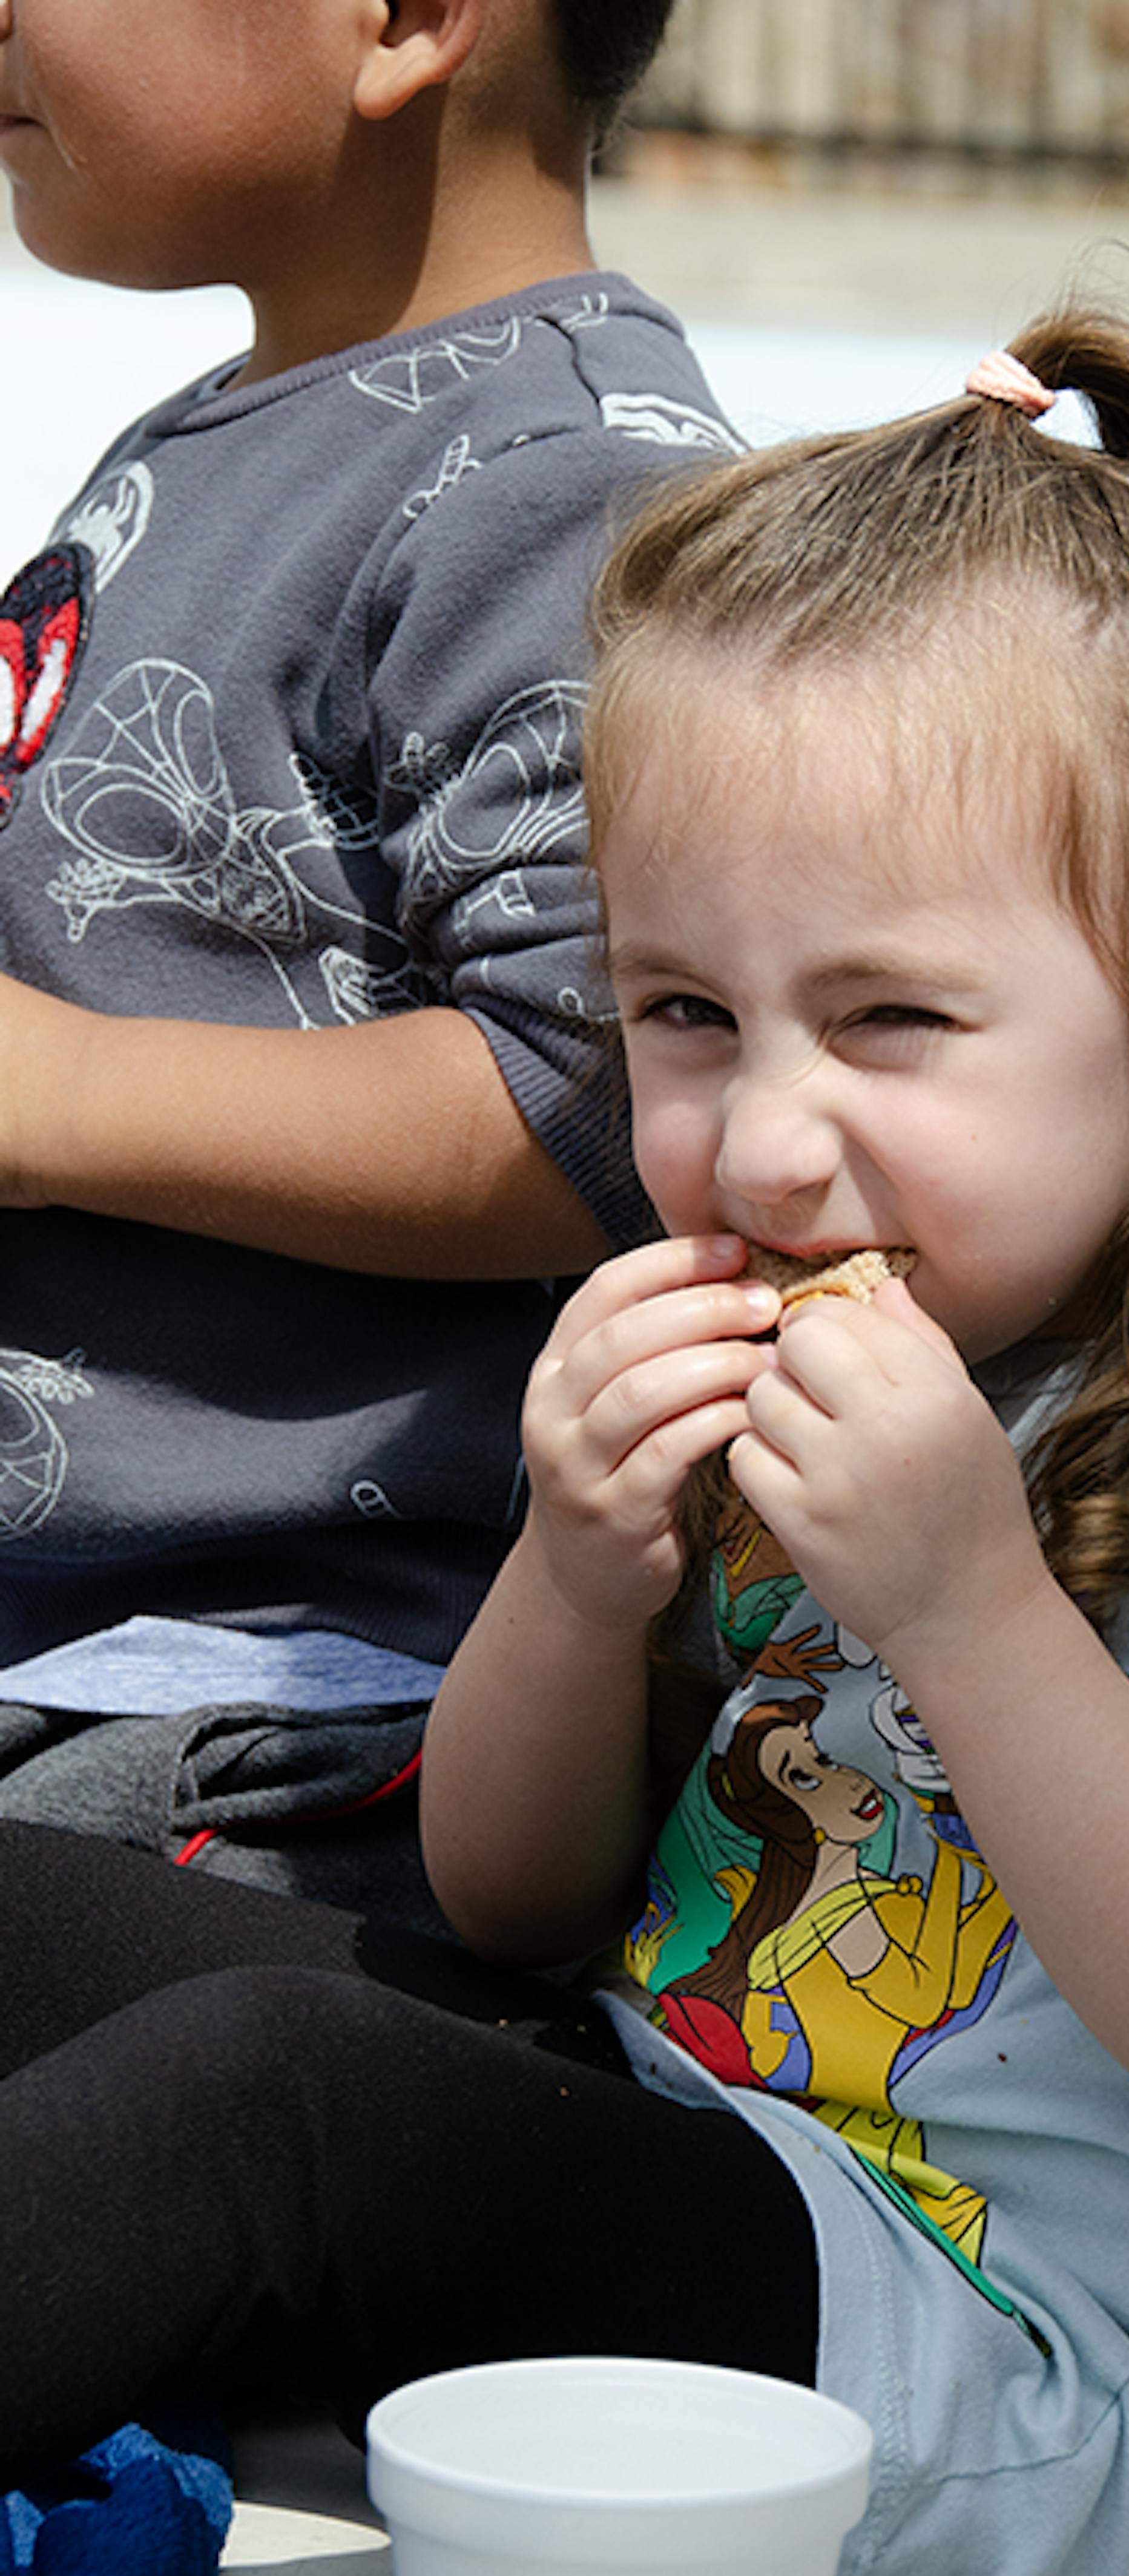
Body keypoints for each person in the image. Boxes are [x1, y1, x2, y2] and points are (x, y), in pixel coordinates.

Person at [0, 316, 1129, 2576]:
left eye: (890, 1021)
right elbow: (522, 1901)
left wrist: (970, 1607)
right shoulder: (840, 1326)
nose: (764, 1141)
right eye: (686, 1014)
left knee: (271, 2120)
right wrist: (576, 1572)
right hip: (682, 2139)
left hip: (981, 2384)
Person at [0, 0, 732, 1918]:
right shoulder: (258, 417)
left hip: (270, 1706)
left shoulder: (561, 480)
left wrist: (56, 1098)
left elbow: (604, 1088)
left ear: (405, 21)